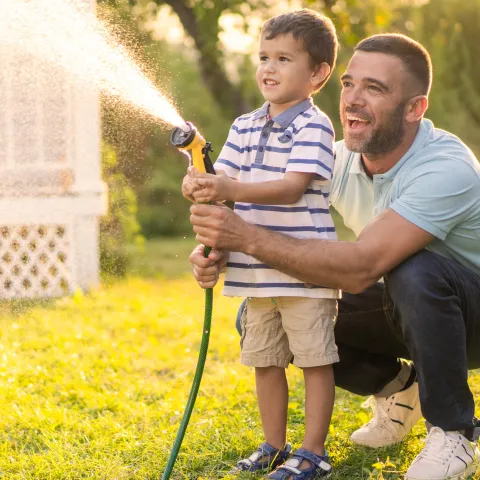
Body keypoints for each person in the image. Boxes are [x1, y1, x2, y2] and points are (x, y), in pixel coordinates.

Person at [188, 33, 480, 480]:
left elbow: (364, 265)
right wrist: (219, 249)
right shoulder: (336, 159)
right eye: (348, 84)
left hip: (472, 314)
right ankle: (402, 389)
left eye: (375, 89)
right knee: (264, 310)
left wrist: (245, 237)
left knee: (412, 267)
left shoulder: (446, 167)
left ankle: (452, 430)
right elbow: (276, 223)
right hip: (410, 308)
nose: (353, 101)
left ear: (415, 109)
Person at [183, 9, 341, 480]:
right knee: (266, 362)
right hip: (255, 274)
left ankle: (313, 452)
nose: (268, 69)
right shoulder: (244, 125)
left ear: (318, 73)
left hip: (305, 273)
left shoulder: (314, 126)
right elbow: (223, 178)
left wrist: (227, 190)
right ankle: (274, 444)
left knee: (315, 362)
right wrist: (198, 182)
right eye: (264, 57)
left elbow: (291, 187)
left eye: (284, 59)